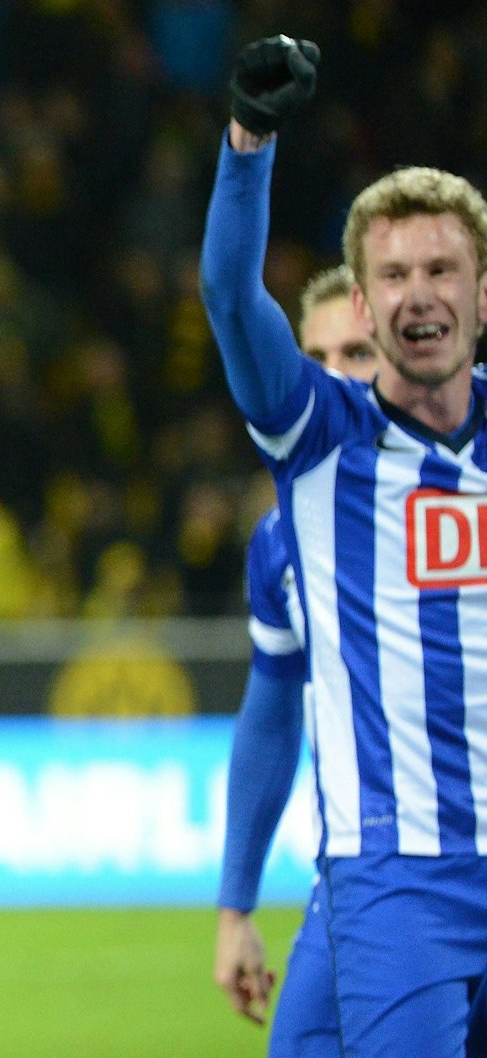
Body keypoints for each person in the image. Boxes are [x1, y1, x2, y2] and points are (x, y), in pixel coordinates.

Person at [201, 36, 487, 1058]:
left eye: (442, 269)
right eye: (395, 274)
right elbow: (231, 299)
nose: (420, 293)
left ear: (480, 293)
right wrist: (248, 139)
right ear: (361, 305)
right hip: (397, 874)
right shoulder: (319, 442)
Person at [212, 265, 378, 1057]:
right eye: (320, 360)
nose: (338, 379)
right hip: (358, 875)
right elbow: (272, 713)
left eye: (359, 353)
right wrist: (236, 906)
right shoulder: (283, 542)